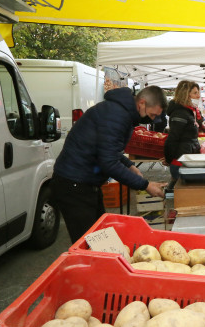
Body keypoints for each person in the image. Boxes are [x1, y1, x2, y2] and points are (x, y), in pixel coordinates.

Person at [50, 86, 168, 243]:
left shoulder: (120, 112)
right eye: (152, 114)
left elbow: (109, 149)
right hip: (74, 184)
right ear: (141, 103)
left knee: (101, 240)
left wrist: (129, 165)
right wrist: (145, 185)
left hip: (84, 183)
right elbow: (108, 162)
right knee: (88, 244)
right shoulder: (117, 115)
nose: (152, 120)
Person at [164, 80, 205, 180]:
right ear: (186, 95)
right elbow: (172, 138)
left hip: (188, 158)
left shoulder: (189, 111)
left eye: (198, 93)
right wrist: (169, 159)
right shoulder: (180, 113)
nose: (198, 96)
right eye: (195, 93)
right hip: (181, 161)